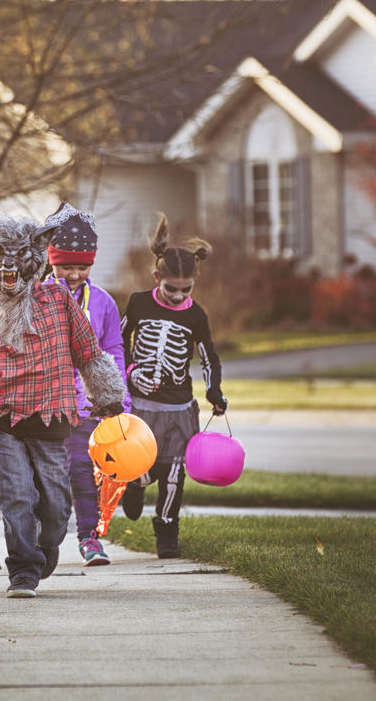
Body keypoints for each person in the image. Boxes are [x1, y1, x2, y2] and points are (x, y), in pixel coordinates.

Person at [0, 209, 126, 598]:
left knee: (57, 508)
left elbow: (88, 352)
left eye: (17, 259)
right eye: (1, 260)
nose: (9, 269)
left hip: (53, 419)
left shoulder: (58, 298)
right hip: (4, 420)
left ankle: (44, 549)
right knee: (17, 497)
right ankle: (22, 571)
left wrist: (108, 397)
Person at [119, 213, 228, 558]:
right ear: (157, 278)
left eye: (186, 290)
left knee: (173, 472)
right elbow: (117, 343)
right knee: (142, 465)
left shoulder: (195, 314)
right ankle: (134, 485)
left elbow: (208, 355)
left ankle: (166, 529)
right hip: (141, 407)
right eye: (171, 289)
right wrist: (130, 372)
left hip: (179, 408)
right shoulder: (138, 303)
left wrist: (214, 392)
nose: (178, 296)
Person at [42, 203, 131, 566]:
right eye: (66, 265)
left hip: (85, 408)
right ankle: (44, 540)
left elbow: (113, 350)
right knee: (47, 480)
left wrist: (118, 401)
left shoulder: (104, 303)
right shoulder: (36, 296)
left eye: (82, 266)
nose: (74, 273)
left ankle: (89, 538)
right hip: (44, 406)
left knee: (82, 472)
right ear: (51, 261)